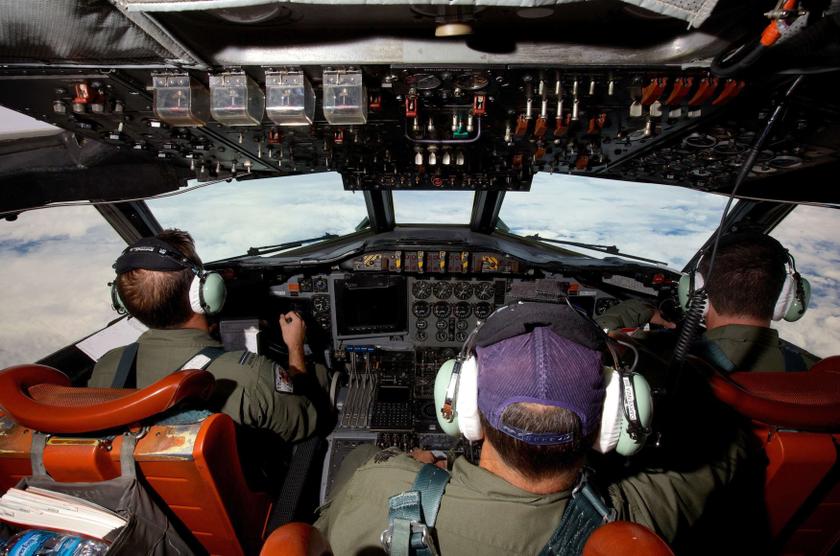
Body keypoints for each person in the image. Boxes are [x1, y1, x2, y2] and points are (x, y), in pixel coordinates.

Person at [315, 302, 765, 555]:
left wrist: (410, 469)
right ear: (611, 424)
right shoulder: (634, 520)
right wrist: (643, 350)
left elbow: (319, 534)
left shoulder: (378, 488)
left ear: (464, 407)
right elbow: (732, 441)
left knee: (357, 455)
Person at [88, 229, 325, 442]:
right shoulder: (247, 376)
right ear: (203, 293)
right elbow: (305, 422)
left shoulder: (108, 367)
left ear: (125, 303)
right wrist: (295, 348)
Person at [596, 232, 820, 372]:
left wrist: (641, 309)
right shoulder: (818, 373)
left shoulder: (658, 356)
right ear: (786, 298)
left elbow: (595, 340)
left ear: (694, 293)